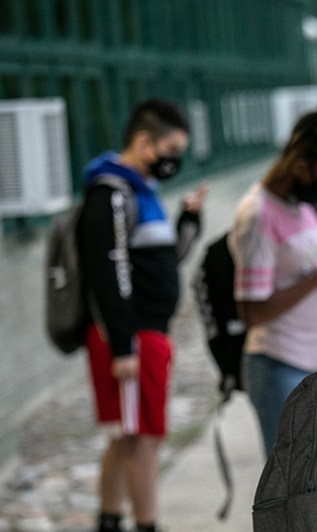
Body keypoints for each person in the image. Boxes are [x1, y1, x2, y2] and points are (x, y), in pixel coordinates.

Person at [78, 99, 208, 532]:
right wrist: (122, 344)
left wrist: (188, 220)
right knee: (143, 438)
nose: (174, 160)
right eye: (170, 149)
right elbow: (108, 271)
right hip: (133, 335)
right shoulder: (111, 194)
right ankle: (145, 524)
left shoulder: (142, 191)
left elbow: (164, 262)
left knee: (127, 433)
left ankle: (109, 519)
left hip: (145, 333)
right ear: (143, 141)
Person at [229, 93, 317, 454]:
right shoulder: (258, 215)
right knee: (288, 489)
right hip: (280, 364)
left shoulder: (302, 205)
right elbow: (252, 311)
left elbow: (312, 267)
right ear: (302, 165)